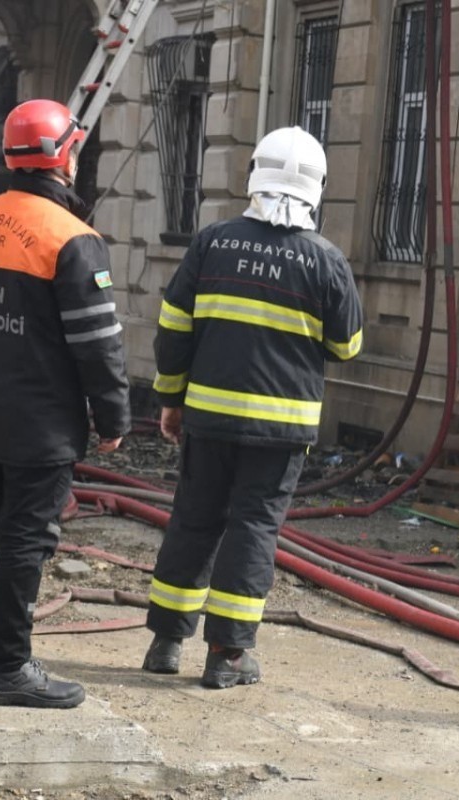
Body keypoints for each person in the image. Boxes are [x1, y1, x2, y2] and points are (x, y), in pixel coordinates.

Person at [144, 125, 363, 689]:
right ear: (319, 188)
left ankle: (166, 642)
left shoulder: (213, 242)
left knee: (194, 518)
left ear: (253, 176)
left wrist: (171, 399)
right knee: (253, 529)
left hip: (208, 418)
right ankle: (228, 654)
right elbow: (347, 346)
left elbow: (173, 329)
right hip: (280, 429)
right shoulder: (327, 261)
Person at [0, 99, 131, 708]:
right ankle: (8, 669)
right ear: (65, 154)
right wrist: (114, 417)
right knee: (26, 538)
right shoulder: (72, 240)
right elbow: (98, 346)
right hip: (43, 422)